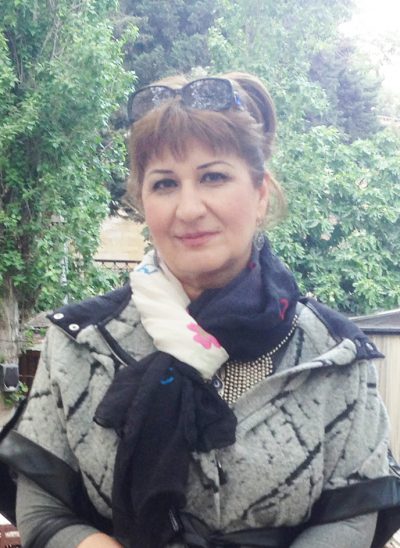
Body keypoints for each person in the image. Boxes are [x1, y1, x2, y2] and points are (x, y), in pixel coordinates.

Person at [4, 72, 400, 548]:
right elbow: (43, 511)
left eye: (213, 176)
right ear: (142, 202)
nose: (189, 208)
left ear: (260, 193)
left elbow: (353, 516)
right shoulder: (78, 341)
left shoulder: (333, 354)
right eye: (165, 183)